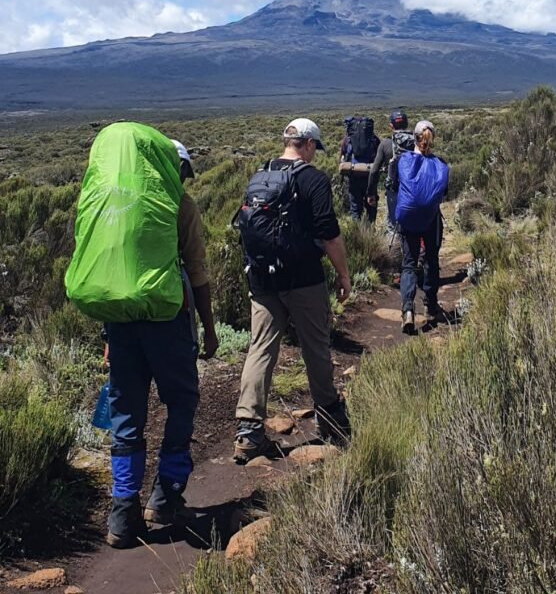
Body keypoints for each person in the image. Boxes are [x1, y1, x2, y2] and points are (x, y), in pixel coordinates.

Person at [102, 134, 218, 548]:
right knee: (182, 400)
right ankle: (165, 496)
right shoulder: (180, 206)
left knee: (126, 415)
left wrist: (108, 334)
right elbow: (198, 271)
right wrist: (208, 325)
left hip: (121, 324)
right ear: (176, 170)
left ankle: (122, 513)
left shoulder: (119, 205)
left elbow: (110, 272)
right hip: (167, 322)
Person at [234, 118, 352, 463]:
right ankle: (329, 416)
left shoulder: (259, 176)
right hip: (303, 278)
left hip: (261, 279)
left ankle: (248, 429)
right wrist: (343, 274)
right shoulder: (313, 179)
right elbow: (328, 232)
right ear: (310, 144)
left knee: (260, 348)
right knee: (315, 344)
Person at [396, 120, 448, 334]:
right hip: (431, 219)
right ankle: (430, 305)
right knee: (431, 259)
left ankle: (407, 310)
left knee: (409, 264)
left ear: (414, 138)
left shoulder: (403, 160)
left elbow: (394, 184)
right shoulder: (440, 164)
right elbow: (444, 193)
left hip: (408, 219)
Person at [366, 109, 412, 229]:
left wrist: (371, 193)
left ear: (391, 126)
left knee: (393, 224)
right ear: (407, 124)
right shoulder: (417, 141)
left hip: (395, 190)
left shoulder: (385, 144)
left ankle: (397, 246)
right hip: (415, 189)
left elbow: (374, 170)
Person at [340, 117, 380, 223]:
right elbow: (378, 158)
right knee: (371, 206)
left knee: (355, 208)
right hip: (369, 178)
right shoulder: (374, 139)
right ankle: (371, 231)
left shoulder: (347, 140)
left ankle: (357, 233)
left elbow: (343, 157)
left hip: (353, 177)